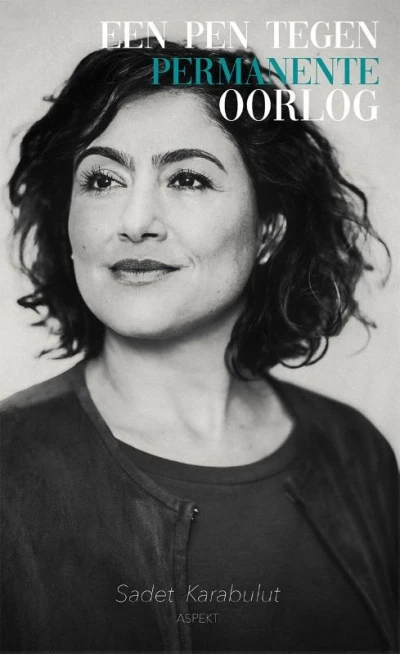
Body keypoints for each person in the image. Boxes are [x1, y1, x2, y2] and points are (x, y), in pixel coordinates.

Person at [1, 39, 398, 653]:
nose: (135, 221)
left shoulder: (357, 451)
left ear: (269, 229)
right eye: (102, 179)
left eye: (187, 178)